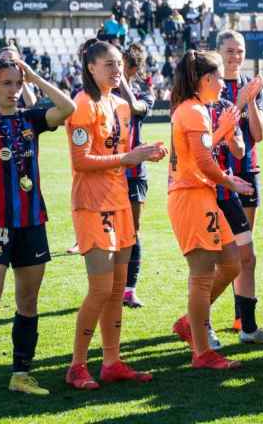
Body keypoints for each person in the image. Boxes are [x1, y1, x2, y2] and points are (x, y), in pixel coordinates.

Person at [0, 57, 76, 397]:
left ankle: (21, 373)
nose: (13, 90)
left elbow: (68, 107)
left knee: (28, 302)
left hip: (31, 222)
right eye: (6, 83)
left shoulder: (31, 118)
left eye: (16, 83)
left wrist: (34, 77)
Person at [64, 40, 166, 390]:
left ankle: (112, 361)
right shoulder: (82, 104)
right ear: (90, 68)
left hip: (120, 201)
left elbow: (124, 154)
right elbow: (81, 161)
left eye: (119, 63)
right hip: (92, 204)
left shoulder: (122, 105)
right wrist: (127, 158)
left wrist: (145, 154)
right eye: (108, 64)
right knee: (100, 288)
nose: (116, 69)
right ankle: (77, 365)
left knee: (118, 287)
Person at [167, 50, 252, 370]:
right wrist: (230, 182)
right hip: (190, 198)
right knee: (202, 277)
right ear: (205, 80)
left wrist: (222, 130)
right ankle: (202, 352)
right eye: (217, 78)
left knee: (231, 263)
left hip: (201, 195)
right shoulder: (193, 111)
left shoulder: (193, 110)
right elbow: (202, 162)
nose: (221, 83)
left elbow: (198, 155)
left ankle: (190, 322)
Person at [212, 31, 263, 344]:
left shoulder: (252, 86)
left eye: (239, 51)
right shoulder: (209, 83)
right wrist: (240, 101)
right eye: (229, 50)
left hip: (247, 171)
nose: (235, 56)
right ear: (218, 52)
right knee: (217, 251)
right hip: (216, 175)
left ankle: (243, 319)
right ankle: (203, 321)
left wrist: (252, 100)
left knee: (243, 249)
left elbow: (259, 133)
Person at [118, 44, 155, 309]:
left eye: (123, 65)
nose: (118, 71)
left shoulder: (144, 93)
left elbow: (134, 106)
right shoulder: (103, 94)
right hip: (108, 172)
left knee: (132, 230)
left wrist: (121, 82)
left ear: (134, 69)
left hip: (134, 173)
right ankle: (109, 285)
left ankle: (129, 289)